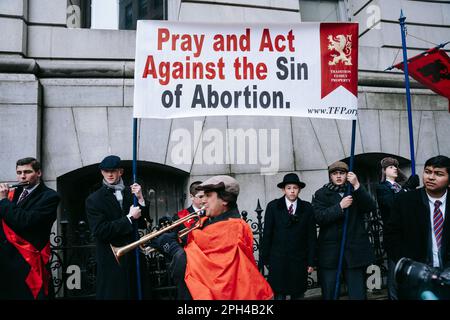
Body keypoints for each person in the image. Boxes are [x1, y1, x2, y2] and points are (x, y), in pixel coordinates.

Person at [150, 175, 274, 300]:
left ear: (225, 200)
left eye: (208, 195)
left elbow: (210, 273)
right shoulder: (207, 221)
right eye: (203, 196)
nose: (203, 200)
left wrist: (174, 249)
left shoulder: (234, 228)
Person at [384, 155, 450, 299]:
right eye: (428, 171)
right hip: (416, 279)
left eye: (438, 174)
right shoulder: (405, 201)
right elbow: (391, 237)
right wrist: (409, 265)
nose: (431, 177)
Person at [85, 155, 149, 300]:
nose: (110, 174)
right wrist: (129, 218)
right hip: (110, 259)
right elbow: (100, 231)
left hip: (134, 256)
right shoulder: (94, 199)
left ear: (120, 171)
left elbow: (144, 223)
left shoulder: (130, 193)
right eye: (106, 171)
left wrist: (140, 199)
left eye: (113, 170)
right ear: (101, 172)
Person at [312, 161, 377, 300]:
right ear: (330, 176)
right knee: (330, 293)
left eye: (342, 173)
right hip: (330, 253)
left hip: (354, 251)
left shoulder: (354, 190)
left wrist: (357, 185)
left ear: (347, 175)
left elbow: (370, 206)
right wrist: (339, 207)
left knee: (357, 293)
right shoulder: (321, 194)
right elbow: (319, 217)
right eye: (335, 174)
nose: (338, 176)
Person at [0, 157, 60, 300]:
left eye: (27, 172)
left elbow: (24, 221)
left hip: (28, 261)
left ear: (38, 173)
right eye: (19, 172)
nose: (22, 176)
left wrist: (3, 201)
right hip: (6, 261)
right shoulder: (12, 193)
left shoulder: (50, 196)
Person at [261, 173, 316, 300]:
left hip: (299, 260)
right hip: (278, 260)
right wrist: (266, 259)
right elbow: (267, 234)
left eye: (295, 188)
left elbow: (311, 236)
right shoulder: (273, 206)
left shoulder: (306, 208)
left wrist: (311, 261)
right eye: (289, 188)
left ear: (299, 189)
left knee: (298, 293)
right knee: (279, 294)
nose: (292, 191)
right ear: (283, 189)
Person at [375, 156, 419, 299]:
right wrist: (407, 189)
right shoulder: (382, 188)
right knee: (395, 270)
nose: (395, 169)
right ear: (384, 171)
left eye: (395, 166)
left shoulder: (401, 186)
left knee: (410, 270)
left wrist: (414, 191)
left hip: (409, 233)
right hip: (394, 236)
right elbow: (392, 205)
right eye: (391, 167)